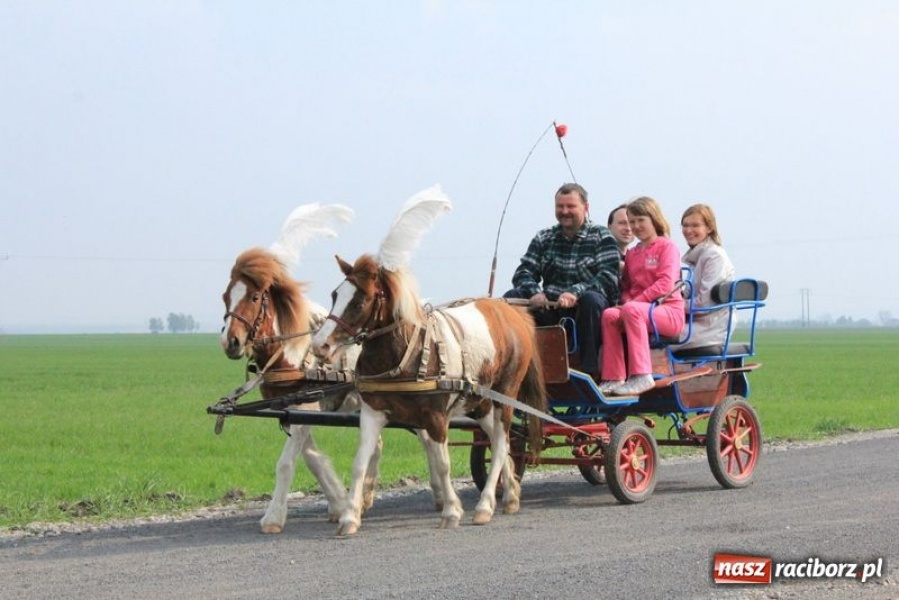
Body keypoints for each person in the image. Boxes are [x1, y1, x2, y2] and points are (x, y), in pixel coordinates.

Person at [504, 183, 620, 378]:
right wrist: (535, 292)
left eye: (570, 206)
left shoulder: (602, 236)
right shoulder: (544, 237)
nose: (564, 211)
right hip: (551, 309)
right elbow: (523, 272)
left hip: (587, 314)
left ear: (586, 207)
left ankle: (590, 371)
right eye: (560, 207)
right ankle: (511, 366)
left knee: (592, 299)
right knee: (512, 298)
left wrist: (575, 292)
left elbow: (608, 278)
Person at [599, 196, 685, 396]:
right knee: (610, 315)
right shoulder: (633, 253)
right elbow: (628, 285)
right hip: (639, 311)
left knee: (631, 309)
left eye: (641, 220)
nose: (636, 226)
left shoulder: (667, 247)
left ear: (654, 219)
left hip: (668, 312)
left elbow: (665, 284)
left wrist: (633, 303)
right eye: (632, 221)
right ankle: (614, 376)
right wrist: (628, 300)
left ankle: (642, 375)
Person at [674, 203, 736, 350]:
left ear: (709, 228)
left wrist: (672, 306)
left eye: (695, 225)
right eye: (685, 225)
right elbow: (687, 292)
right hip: (698, 321)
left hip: (711, 326)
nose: (689, 230)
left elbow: (704, 304)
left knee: (654, 339)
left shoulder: (714, 256)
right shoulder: (696, 257)